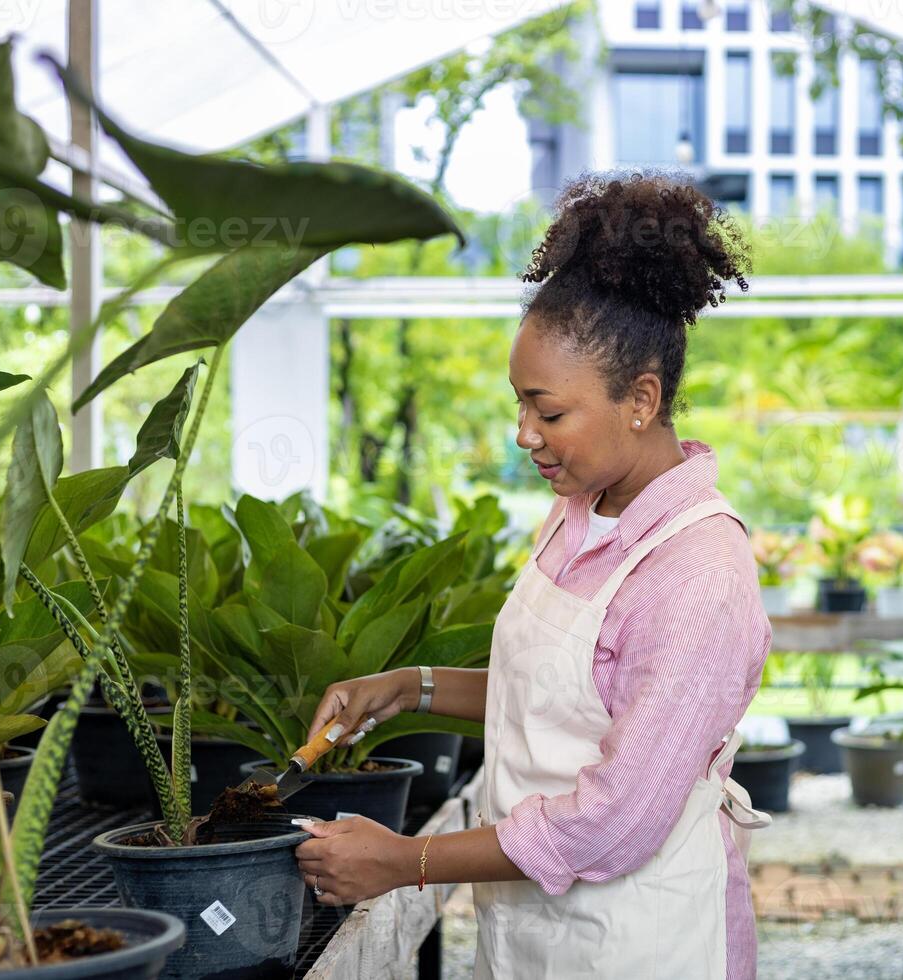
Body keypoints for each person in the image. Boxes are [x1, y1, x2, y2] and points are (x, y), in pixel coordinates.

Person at [297, 170, 774, 979]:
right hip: (534, 931)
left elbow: (613, 823)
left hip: (639, 946)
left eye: (549, 412)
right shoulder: (580, 511)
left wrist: (406, 861)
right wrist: (405, 688)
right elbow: (561, 699)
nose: (526, 435)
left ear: (641, 399)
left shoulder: (698, 574)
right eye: (520, 407)